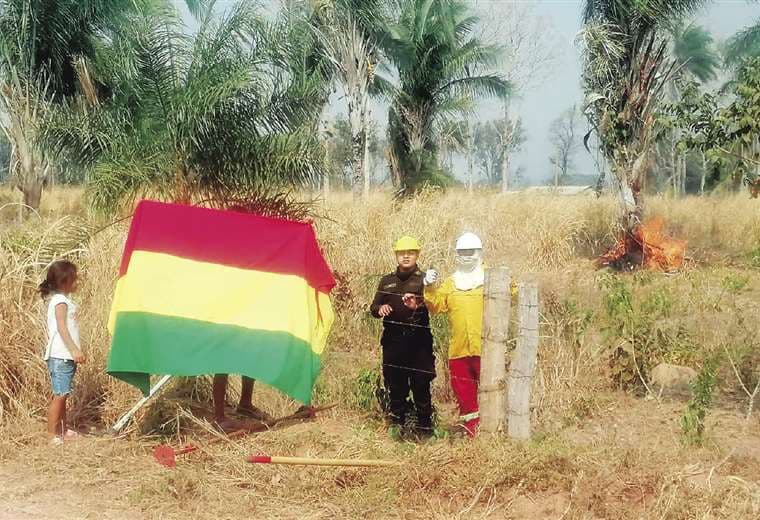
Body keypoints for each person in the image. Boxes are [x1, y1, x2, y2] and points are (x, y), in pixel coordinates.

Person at [369, 236, 435, 439]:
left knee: (421, 385)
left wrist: (419, 304)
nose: (406, 256)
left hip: (419, 343)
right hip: (393, 342)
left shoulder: (425, 280)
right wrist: (380, 308)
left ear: (417, 255)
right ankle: (397, 426)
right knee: (395, 386)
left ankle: (424, 428)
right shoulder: (387, 280)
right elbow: (373, 307)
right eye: (402, 253)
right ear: (396, 255)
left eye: (411, 253)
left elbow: (434, 305)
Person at [424, 232, 485, 437]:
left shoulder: (491, 277)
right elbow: (436, 305)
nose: (466, 256)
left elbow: (511, 294)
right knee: (465, 395)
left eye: (470, 251)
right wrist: (429, 286)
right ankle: (471, 433)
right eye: (462, 252)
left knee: (491, 391)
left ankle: (491, 432)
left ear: (479, 252)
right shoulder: (451, 283)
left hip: (486, 348)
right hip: (459, 350)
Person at [40, 260, 85, 446]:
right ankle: (52, 435)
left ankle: (63, 430)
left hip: (65, 356)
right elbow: (61, 327)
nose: (77, 283)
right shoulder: (60, 301)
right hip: (61, 355)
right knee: (60, 395)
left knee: (64, 393)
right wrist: (74, 350)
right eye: (74, 279)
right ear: (65, 281)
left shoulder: (64, 301)